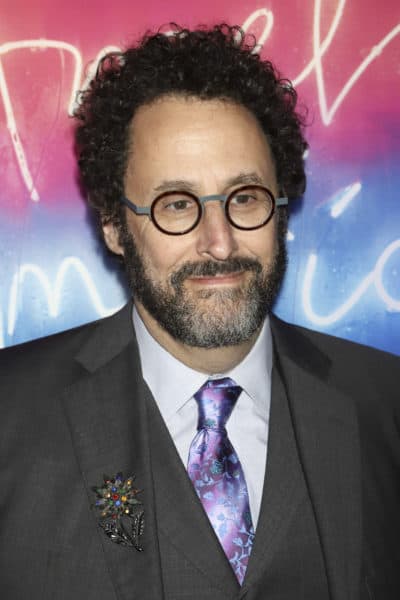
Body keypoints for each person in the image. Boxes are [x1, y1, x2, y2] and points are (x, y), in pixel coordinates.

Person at [0, 24, 399, 600]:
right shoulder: (10, 416)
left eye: (245, 198)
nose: (220, 241)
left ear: (281, 208)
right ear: (115, 225)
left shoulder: (385, 405)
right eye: (177, 205)